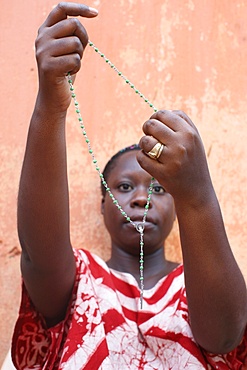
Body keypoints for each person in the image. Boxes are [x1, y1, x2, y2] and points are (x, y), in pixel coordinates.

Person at [11, 2, 247, 369]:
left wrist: (197, 194)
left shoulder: (201, 282)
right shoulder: (77, 280)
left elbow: (224, 335)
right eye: (124, 187)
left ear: (179, 205)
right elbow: (38, 256)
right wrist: (50, 102)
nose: (140, 198)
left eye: (159, 189)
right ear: (102, 203)